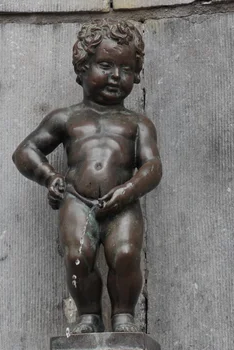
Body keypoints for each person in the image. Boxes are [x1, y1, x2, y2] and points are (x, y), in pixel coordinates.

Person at [12, 20, 162, 333]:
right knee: (78, 256)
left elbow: (152, 166)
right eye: (105, 65)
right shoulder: (66, 118)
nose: (115, 77)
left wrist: (129, 190)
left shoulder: (137, 123)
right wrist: (50, 178)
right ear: (83, 66)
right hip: (77, 200)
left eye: (125, 68)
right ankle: (88, 315)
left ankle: (124, 315)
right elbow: (25, 152)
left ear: (136, 73)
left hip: (122, 202)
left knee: (125, 254)